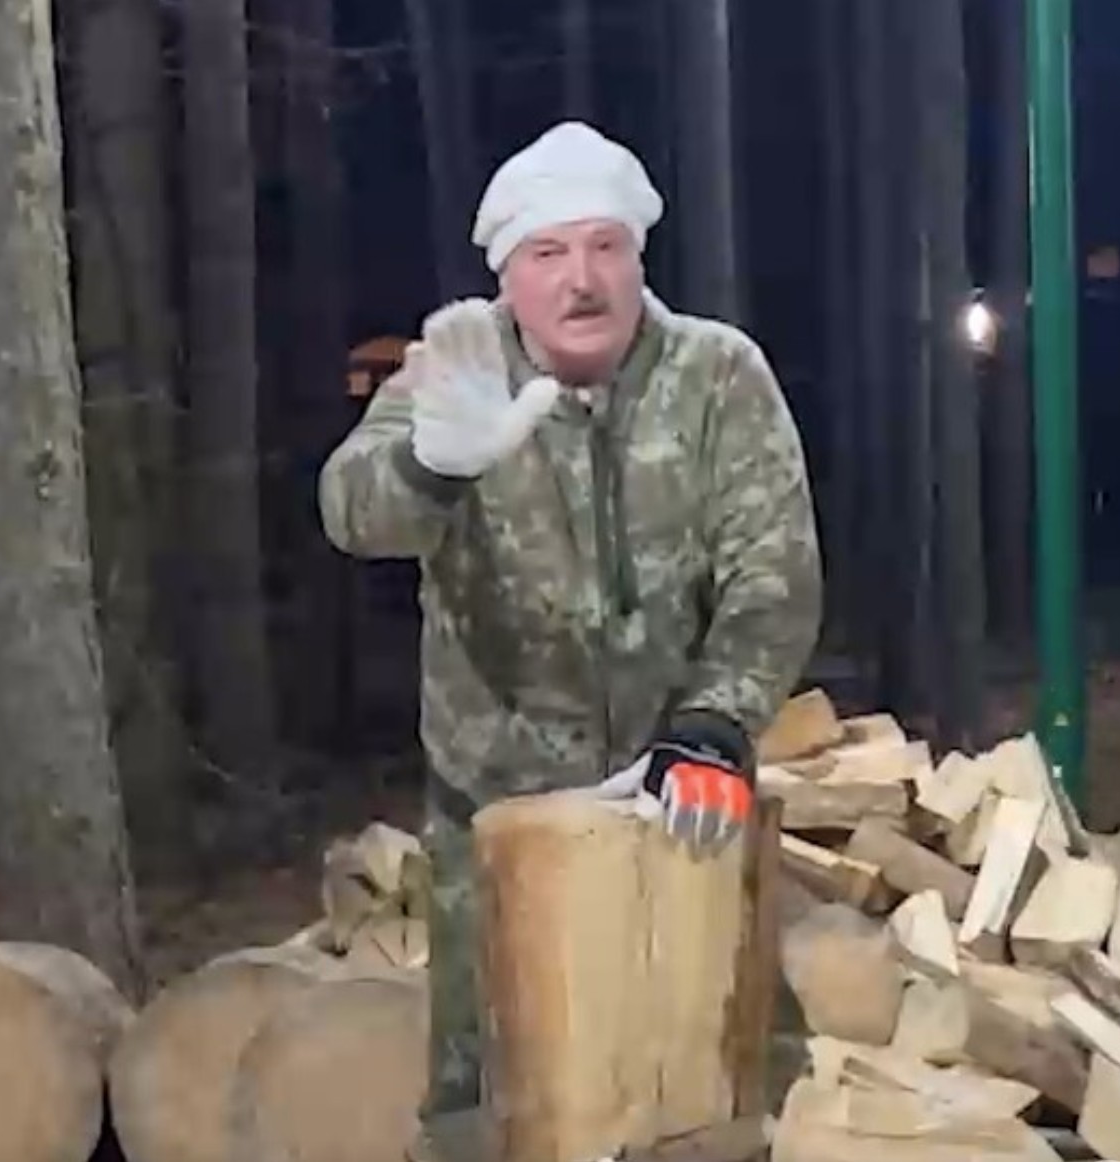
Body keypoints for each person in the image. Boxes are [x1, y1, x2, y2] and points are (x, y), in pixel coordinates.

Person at [319, 120, 823, 1157]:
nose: (580, 280)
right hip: (497, 816)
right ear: (508, 274)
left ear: (639, 257)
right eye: (547, 253)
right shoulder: (456, 372)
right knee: (490, 1099)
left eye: (605, 247)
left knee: (715, 1075)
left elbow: (773, 575)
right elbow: (353, 512)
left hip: (677, 797)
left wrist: (713, 726)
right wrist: (431, 463)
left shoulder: (717, 375)